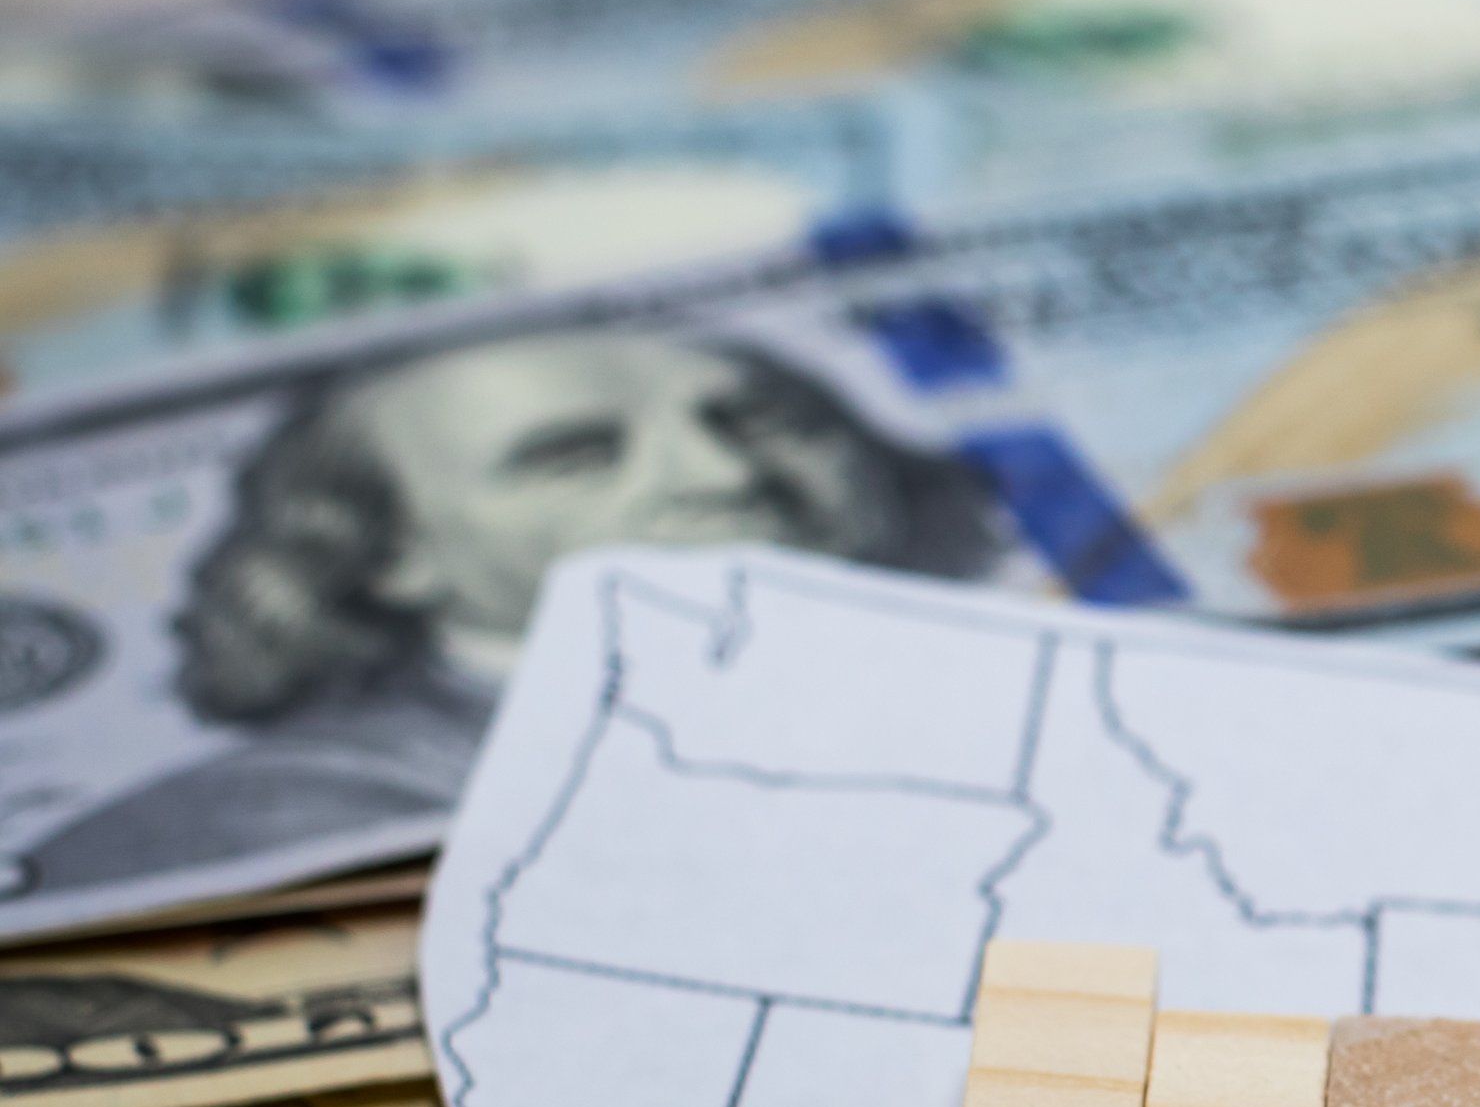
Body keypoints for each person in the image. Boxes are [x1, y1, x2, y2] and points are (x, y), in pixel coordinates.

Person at [9, 325, 1000, 894]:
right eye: (571, 455)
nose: (726, 473)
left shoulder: (963, 699)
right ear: (390, 552)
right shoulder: (249, 821)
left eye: (749, 422)